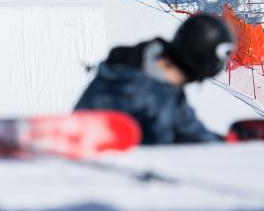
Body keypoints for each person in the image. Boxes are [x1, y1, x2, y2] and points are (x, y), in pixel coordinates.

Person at [75, 14, 234, 144]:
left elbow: (188, 129)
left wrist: (225, 144)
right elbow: (161, 155)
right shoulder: (143, 90)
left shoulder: (164, 82)